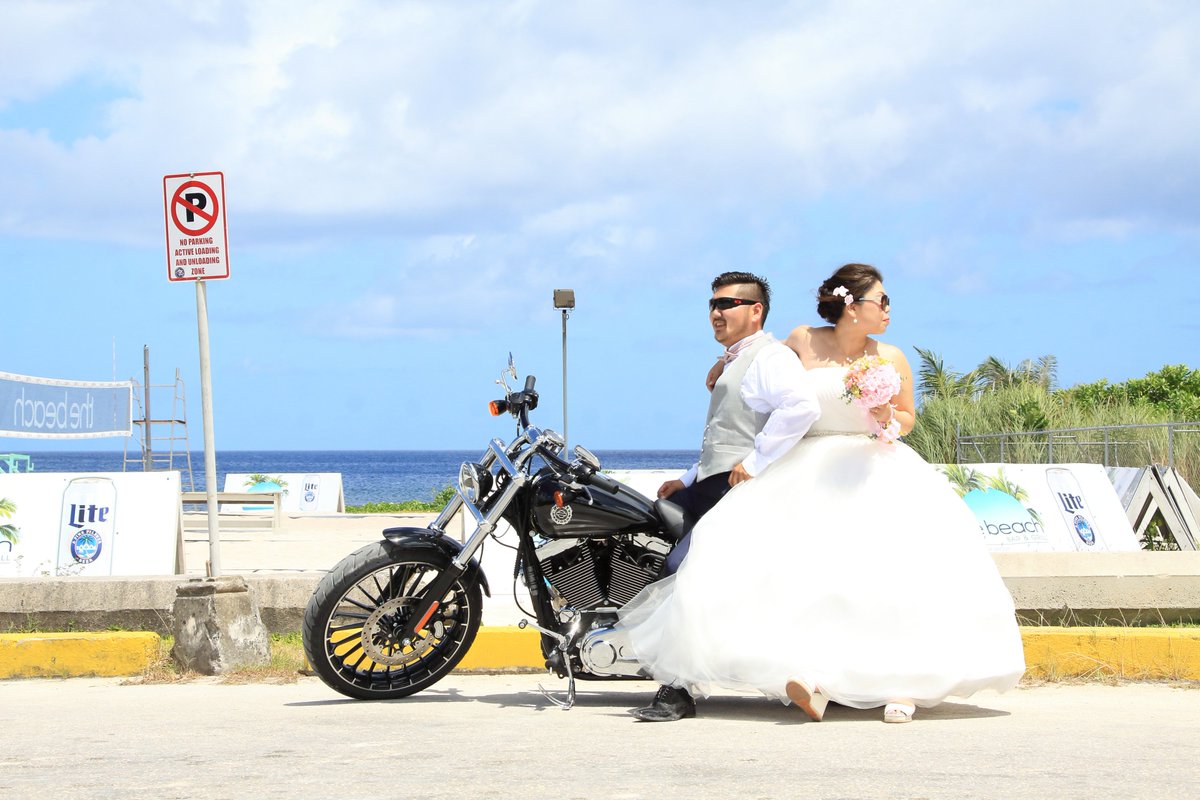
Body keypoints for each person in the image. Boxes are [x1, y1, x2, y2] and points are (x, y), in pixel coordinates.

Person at [620, 263, 1026, 724]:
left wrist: (884, 415)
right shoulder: (802, 340)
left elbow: (907, 419)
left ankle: (904, 685)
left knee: (889, 578)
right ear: (852, 305)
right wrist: (725, 361)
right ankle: (812, 679)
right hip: (803, 464)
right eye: (882, 300)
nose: (889, 309)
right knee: (795, 578)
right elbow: (764, 367)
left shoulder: (891, 357)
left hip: (872, 466)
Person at [630, 270, 821, 722]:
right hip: (711, 483)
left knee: (685, 571)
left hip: (737, 491)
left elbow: (802, 407)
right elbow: (725, 430)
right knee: (651, 546)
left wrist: (754, 463)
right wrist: (689, 476)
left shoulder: (771, 357)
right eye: (713, 304)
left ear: (756, 311)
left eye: (728, 304)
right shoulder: (735, 360)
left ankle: (677, 690)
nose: (716, 312)